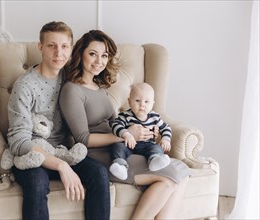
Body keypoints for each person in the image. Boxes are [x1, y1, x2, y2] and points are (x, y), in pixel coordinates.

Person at [59, 29, 190, 219]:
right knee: (170, 178)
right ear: (80, 54)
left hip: (123, 147)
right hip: (100, 156)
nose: (99, 61)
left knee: (181, 172)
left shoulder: (99, 87)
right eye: (93, 54)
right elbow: (82, 139)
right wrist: (126, 135)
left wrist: (142, 131)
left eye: (104, 55)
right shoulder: (71, 90)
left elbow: (116, 122)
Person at [7, 21, 110, 220]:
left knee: (99, 174)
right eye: (51, 46)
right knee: (37, 184)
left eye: (64, 46)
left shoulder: (71, 78)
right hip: (32, 156)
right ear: (40, 47)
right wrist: (61, 166)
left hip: (64, 151)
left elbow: (97, 66)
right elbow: (19, 143)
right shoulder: (24, 86)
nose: (58, 53)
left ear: (71, 49)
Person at [110, 82, 171, 180]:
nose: (142, 105)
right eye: (137, 100)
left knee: (156, 148)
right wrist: (126, 134)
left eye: (147, 102)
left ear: (152, 104)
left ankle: (154, 160)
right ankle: (120, 166)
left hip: (148, 145)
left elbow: (166, 128)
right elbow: (116, 125)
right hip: (128, 144)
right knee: (117, 147)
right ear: (129, 101)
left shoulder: (155, 117)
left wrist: (165, 139)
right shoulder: (125, 115)